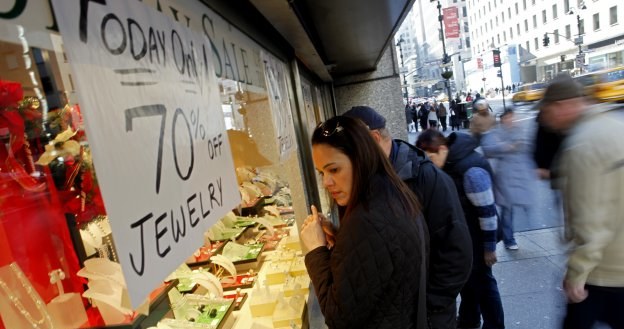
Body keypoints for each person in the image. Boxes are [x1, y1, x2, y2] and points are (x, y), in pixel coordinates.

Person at [344, 106, 472, 329]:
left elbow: (457, 252)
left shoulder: (427, 178)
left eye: (350, 152)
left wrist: (430, 306)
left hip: (428, 316)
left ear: (374, 138)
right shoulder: (367, 179)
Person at [300, 116, 429, 329]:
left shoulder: (366, 220)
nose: (326, 182)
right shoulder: (390, 192)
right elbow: (374, 268)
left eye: (334, 170)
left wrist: (316, 250)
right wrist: (341, 239)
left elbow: (338, 316)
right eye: (321, 172)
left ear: (360, 159)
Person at [538, 73, 624, 329]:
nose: (544, 118)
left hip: (603, 269)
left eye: (546, 110)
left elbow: (589, 220)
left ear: (563, 106)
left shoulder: (581, 146)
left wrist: (577, 273)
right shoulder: (614, 125)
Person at [417, 130, 505, 329]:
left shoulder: (470, 169)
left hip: (479, 240)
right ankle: (469, 320)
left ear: (441, 149)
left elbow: (488, 212)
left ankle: (495, 325)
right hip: (467, 238)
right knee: (468, 283)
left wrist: (489, 248)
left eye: (430, 157)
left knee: (484, 286)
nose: (429, 163)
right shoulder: (450, 165)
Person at [480, 109, 536, 250]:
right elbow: (487, 149)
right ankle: (509, 239)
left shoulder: (519, 131)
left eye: (512, 117)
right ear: (503, 119)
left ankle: (510, 236)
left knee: (519, 203)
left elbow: (529, 148)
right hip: (504, 176)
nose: (510, 120)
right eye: (507, 118)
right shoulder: (495, 133)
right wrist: (506, 147)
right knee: (507, 209)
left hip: (520, 174)